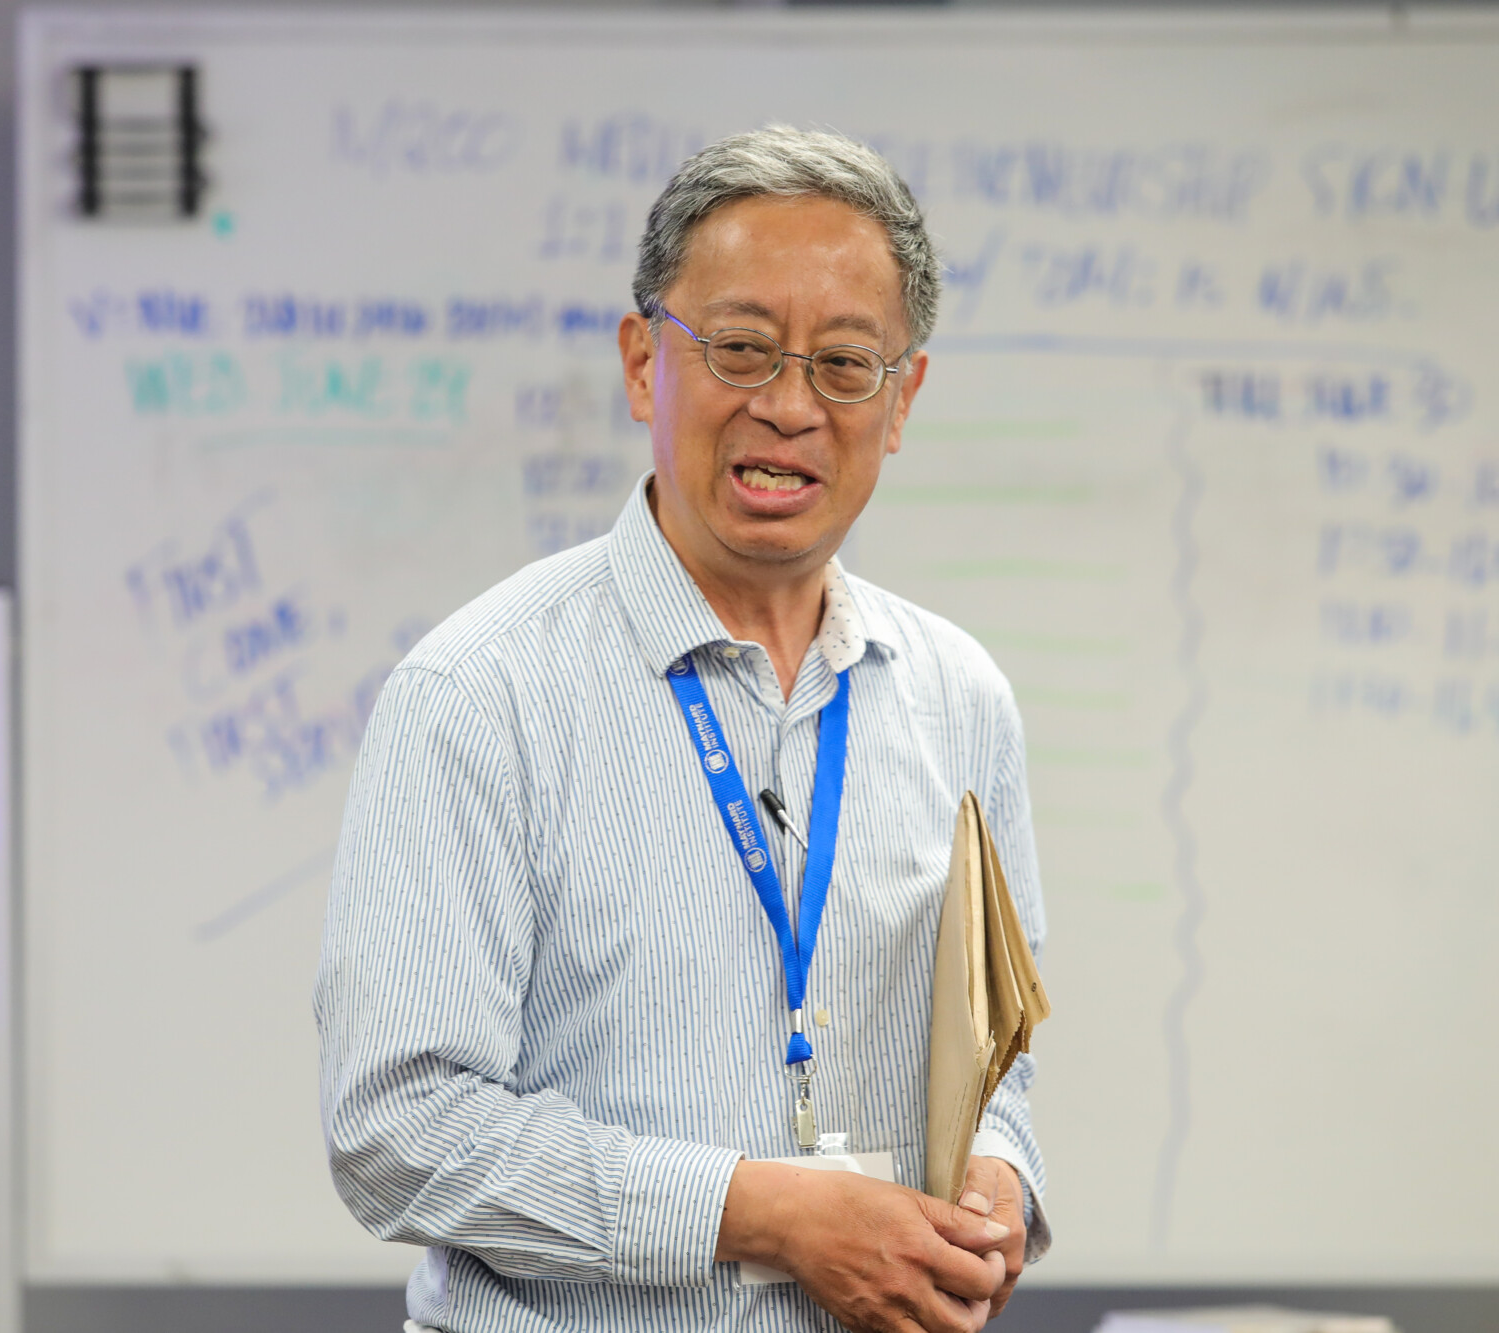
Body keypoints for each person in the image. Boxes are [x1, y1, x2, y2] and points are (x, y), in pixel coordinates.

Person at [313, 126, 1049, 1333]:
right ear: (645, 362)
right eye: (742, 349)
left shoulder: (958, 698)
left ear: (902, 396)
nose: (789, 408)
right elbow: (397, 1127)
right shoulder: (477, 694)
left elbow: (999, 1058)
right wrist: (754, 1211)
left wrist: (995, 1176)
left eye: (845, 364)